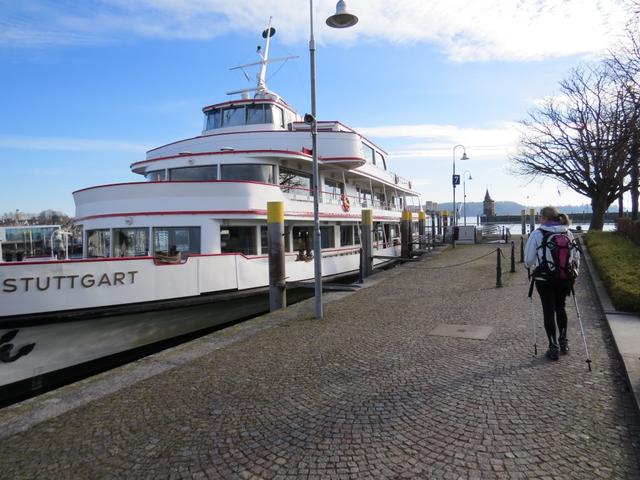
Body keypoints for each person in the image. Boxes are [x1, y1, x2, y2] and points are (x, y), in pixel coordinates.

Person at [524, 206, 580, 361]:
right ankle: (564, 341)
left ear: (544, 218)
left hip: (544, 279)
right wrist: (574, 274)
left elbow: (528, 260)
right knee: (561, 307)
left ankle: (553, 346)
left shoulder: (537, 233)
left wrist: (534, 264)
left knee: (548, 311)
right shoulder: (567, 232)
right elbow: (575, 257)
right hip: (564, 278)